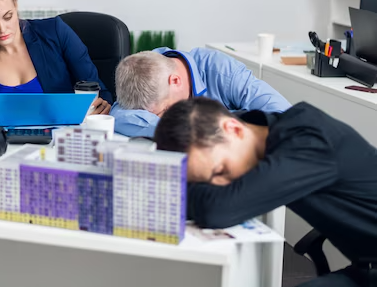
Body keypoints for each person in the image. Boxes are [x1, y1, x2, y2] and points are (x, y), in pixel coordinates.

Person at [154, 97, 377, 287]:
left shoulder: (309, 142)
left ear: (233, 129)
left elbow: (217, 209)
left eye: (220, 170)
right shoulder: (262, 134)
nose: (220, 185)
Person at [111, 47, 291, 137]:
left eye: (164, 113)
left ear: (175, 81)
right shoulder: (140, 72)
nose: (163, 118)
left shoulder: (223, 72)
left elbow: (285, 116)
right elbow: (118, 117)